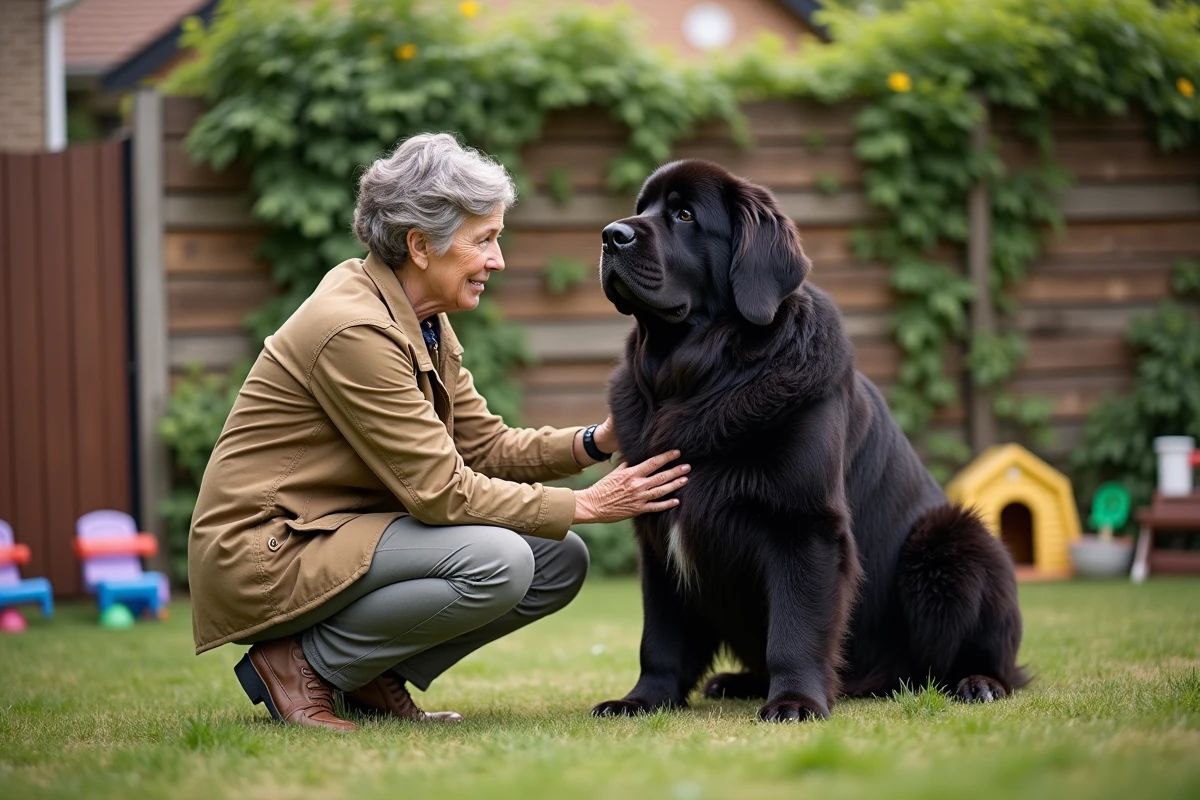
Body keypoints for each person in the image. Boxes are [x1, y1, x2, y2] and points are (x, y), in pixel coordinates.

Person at [187, 133, 689, 732]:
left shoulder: (422, 319)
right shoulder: (355, 329)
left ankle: (369, 673)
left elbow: (483, 445)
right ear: (420, 246)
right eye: (484, 241)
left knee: (557, 560)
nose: (497, 261)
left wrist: (593, 441)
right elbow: (441, 492)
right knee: (498, 560)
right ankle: (300, 666)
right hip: (269, 548)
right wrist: (585, 502)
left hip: (338, 532)